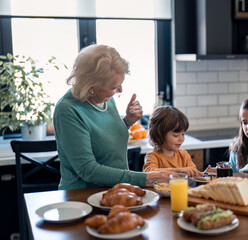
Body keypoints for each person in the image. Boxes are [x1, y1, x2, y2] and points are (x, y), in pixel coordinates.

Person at [54, 44, 171, 190]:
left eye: (120, 84)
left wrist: (128, 121)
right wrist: (143, 178)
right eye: (114, 87)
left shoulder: (105, 99)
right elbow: (88, 170)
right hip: (82, 197)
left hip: (115, 190)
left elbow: (104, 137)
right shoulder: (68, 110)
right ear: (91, 87)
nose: (119, 90)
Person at [142, 106, 201, 177]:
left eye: (183, 134)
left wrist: (204, 174)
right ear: (159, 134)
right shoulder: (152, 156)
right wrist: (178, 170)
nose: (181, 139)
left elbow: (193, 174)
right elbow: (149, 173)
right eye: (176, 135)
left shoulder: (184, 155)